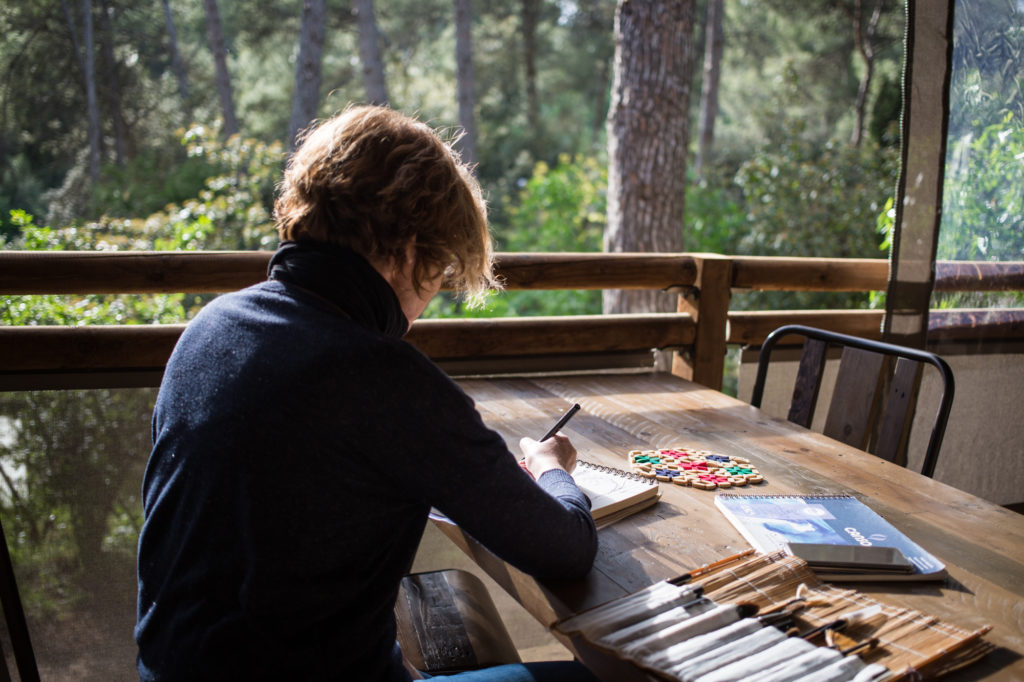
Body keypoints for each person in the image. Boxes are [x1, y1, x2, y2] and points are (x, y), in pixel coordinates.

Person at [134, 105, 599, 682]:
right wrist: (553, 470)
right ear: (410, 250)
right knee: (597, 677)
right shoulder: (381, 374)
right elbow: (565, 550)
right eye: (442, 271)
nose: (431, 300)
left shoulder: (213, 326)